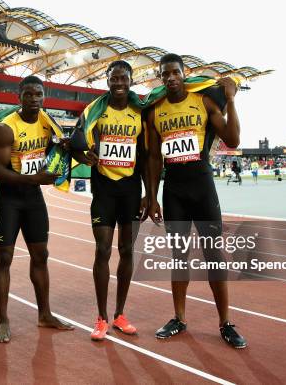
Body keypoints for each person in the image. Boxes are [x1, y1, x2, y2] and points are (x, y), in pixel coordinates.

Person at [146, 53, 247, 348]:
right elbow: (153, 157)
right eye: (165, 74)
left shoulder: (203, 103)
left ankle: (226, 323)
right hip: (174, 190)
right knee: (179, 257)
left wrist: (231, 100)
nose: (171, 78)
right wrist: (152, 198)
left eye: (175, 72)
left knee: (214, 257)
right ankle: (178, 317)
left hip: (202, 187)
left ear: (184, 73)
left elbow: (233, 139)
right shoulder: (155, 111)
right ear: (160, 77)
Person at [0, 75, 74, 343]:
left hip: (33, 198)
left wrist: (60, 155)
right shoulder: (7, 128)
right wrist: (33, 179)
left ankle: (44, 314)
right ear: (19, 97)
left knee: (41, 255)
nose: (35, 99)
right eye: (29, 94)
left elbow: (53, 151)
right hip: (10, 198)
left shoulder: (48, 124)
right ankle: (3, 320)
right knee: (4, 257)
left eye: (39, 94)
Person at [71, 61, 147, 340]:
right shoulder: (94, 110)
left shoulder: (140, 111)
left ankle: (120, 314)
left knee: (127, 250)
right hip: (103, 190)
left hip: (130, 190)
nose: (118, 83)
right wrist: (83, 155)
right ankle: (101, 317)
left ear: (130, 80)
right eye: (113, 78)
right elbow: (76, 139)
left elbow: (149, 155)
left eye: (123, 78)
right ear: (106, 80)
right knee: (102, 250)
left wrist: (150, 195)